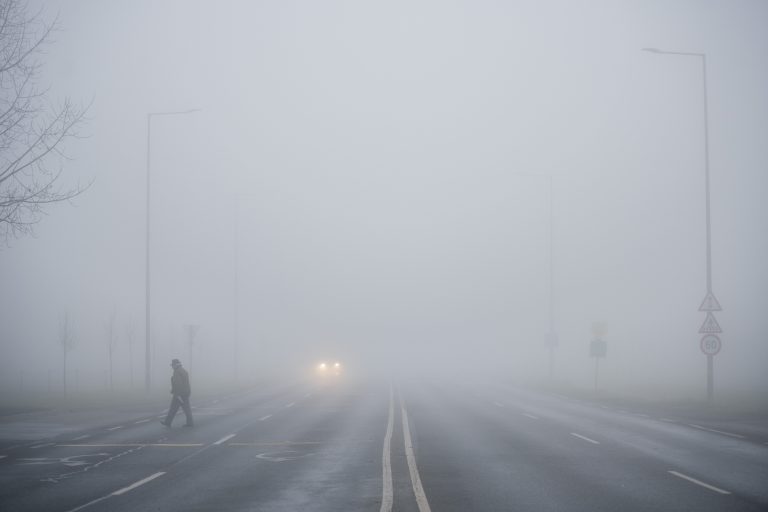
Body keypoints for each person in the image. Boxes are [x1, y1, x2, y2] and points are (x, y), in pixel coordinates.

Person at [161, 359, 193, 427]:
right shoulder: (183, 371)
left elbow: (178, 383)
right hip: (185, 392)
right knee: (185, 409)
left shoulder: (177, 371)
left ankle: (168, 422)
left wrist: (177, 393)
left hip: (179, 394)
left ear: (175, 365)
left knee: (174, 408)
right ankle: (189, 422)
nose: (172, 367)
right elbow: (186, 383)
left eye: (172, 365)